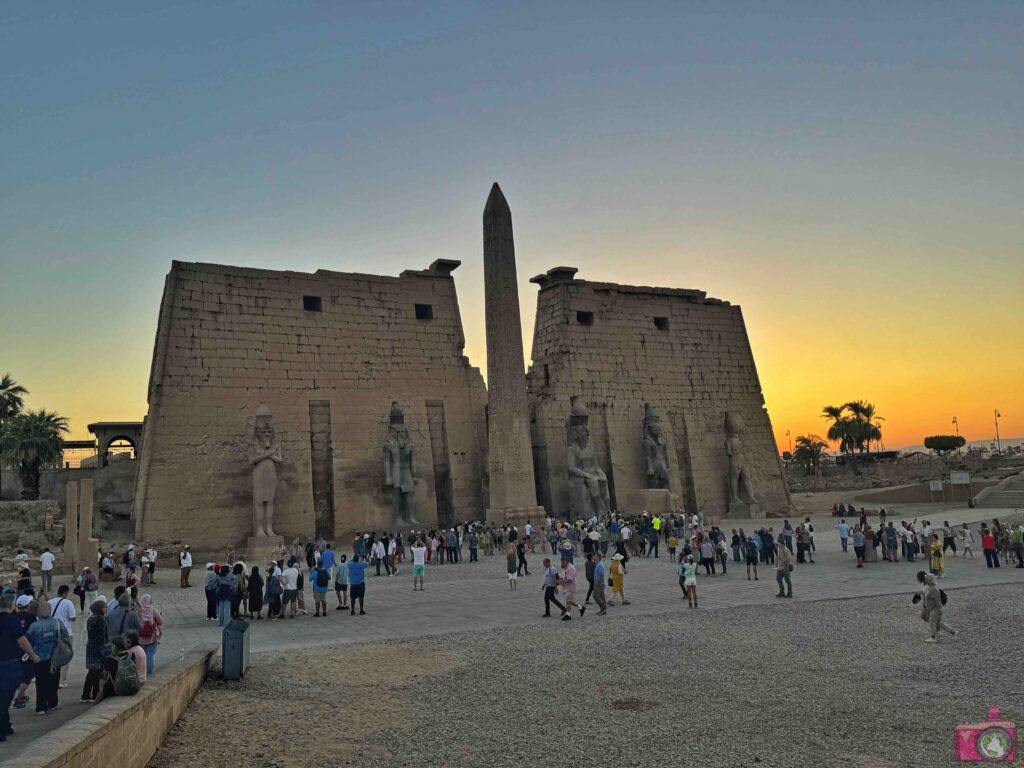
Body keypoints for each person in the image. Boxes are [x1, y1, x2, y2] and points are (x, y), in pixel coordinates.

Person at [1, 593, 41, 741]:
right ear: (12, 606)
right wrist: (33, 655)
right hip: (9, 663)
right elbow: (22, 640)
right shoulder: (12, 620)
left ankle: (6, 726)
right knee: (5, 696)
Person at [26, 601, 64, 714]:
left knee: (41, 682)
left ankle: (41, 706)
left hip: (40, 658)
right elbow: (65, 637)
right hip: (55, 657)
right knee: (54, 680)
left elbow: (28, 641)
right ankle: (53, 702)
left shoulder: (34, 626)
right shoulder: (58, 623)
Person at [48, 584, 76, 688]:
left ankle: (52, 677)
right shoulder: (68, 602)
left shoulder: (50, 602)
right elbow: (73, 618)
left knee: (52, 655)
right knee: (65, 656)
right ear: (66, 592)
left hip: (52, 632)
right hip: (66, 633)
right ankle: (61, 680)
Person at [916, 571, 956, 643]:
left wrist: (940, 609)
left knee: (932, 622)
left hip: (935, 608)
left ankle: (933, 637)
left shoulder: (933, 589)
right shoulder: (929, 587)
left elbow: (937, 600)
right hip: (932, 608)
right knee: (938, 622)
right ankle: (952, 631)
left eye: (927, 578)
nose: (926, 579)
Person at [81, 599, 108, 702]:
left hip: (91, 647)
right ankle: (95, 695)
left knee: (91, 672)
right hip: (98, 649)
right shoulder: (101, 620)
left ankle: (85, 694)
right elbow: (102, 637)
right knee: (98, 673)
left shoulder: (91, 619)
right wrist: (105, 651)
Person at [137, 594, 163, 675]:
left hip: (140, 637)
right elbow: (161, 622)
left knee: (142, 656)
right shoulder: (154, 611)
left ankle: (141, 672)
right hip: (152, 637)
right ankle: (149, 672)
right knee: (150, 655)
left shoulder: (138, 611)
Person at [558, 556, 585, 621]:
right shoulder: (567, 567)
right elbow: (566, 576)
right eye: (561, 562)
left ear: (566, 561)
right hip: (568, 587)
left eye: (562, 562)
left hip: (570, 587)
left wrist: (561, 581)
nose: (561, 564)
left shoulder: (570, 568)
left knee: (568, 601)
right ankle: (581, 607)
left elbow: (570, 579)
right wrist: (561, 579)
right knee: (570, 601)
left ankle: (568, 615)